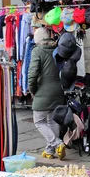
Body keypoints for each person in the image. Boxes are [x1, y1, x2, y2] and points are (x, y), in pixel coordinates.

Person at [28, 27, 66, 159]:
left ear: (37, 39)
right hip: (58, 91)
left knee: (39, 121)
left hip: (43, 92)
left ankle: (57, 143)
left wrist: (32, 90)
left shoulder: (37, 51)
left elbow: (32, 74)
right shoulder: (57, 50)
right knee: (52, 122)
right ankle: (50, 151)